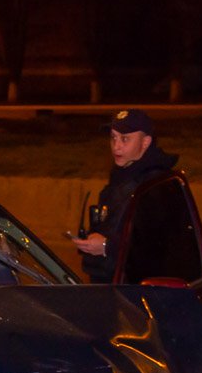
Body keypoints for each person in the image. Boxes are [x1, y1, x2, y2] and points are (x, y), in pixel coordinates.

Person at [70, 108, 178, 283]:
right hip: (111, 281)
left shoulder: (156, 185)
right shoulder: (122, 175)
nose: (116, 145)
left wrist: (106, 247)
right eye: (113, 138)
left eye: (125, 139)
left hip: (136, 288)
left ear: (145, 142)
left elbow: (154, 246)